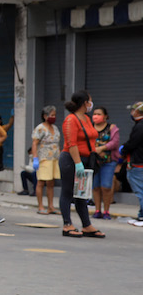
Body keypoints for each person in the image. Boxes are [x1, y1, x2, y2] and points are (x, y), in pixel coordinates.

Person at [59, 90, 105, 238]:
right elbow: (72, 143)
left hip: (86, 159)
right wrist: (78, 163)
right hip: (71, 159)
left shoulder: (86, 118)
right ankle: (67, 225)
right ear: (85, 103)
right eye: (90, 101)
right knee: (67, 192)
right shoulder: (71, 120)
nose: (92, 103)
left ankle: (86, 225)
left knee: (81, 194)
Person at [90, 106, 120, 220]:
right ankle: (97, 210)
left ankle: (106, 210)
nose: (95, 116)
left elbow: (115, 142)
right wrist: (94, 150)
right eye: (94, 114)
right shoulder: (90, 128)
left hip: (108, 161)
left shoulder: (112, 128)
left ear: (105, 116)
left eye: (99, 114)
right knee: (96, 186)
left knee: (106, 186)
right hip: (94, 162)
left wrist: (102, 148)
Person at [31, 106, 61, 214]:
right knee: (41, 182)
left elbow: (57, 143)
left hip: (54, 158)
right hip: (44, 158)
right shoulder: (40, 128)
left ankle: (51, 206)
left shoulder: (55, 128)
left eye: (54, 115)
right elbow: (34, 143)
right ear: (45, 116)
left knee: (51, 182)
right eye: (51, 115)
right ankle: (40, 206)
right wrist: (35, 158)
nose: (54, 117)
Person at [120, 101, 143, 225]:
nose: (131, 113)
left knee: (140, 191)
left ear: (137, 111)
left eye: (133, 110)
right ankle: (141, 215)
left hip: (138, 163)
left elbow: (133, 143)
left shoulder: (139, 126)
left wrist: (123, 150)